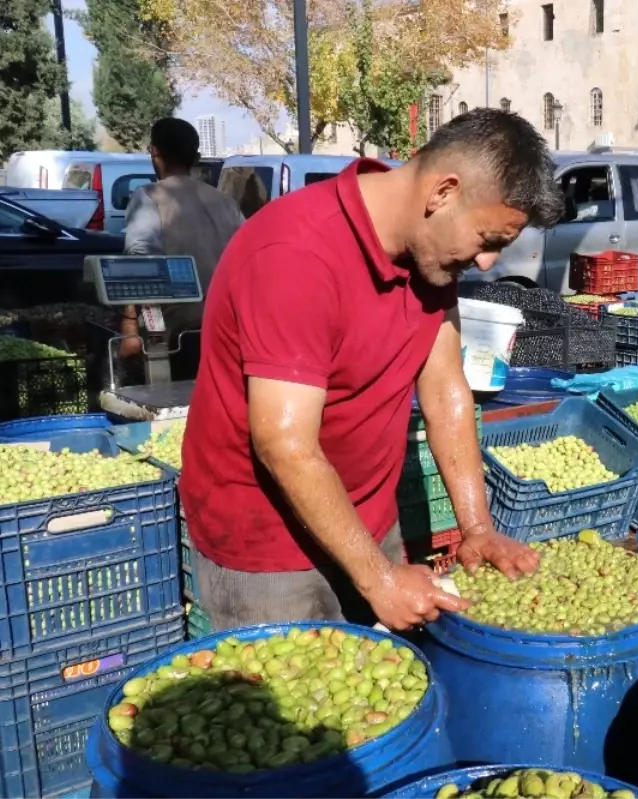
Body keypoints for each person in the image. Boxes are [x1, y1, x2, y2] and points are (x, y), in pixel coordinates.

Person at [179, 109, 564, 632]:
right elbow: (285, 444)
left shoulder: (429, 255)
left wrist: (477, 527)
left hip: (368, 525)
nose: (489, 263)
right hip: (268, 550)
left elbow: (446, 387)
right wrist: (377, 577)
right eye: (489, 239)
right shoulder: (296, 255)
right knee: (300, 705)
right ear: (442, 193)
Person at [119, 118, 244, 370]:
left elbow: (140, 261)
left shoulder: (149, 197)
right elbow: (249, 256)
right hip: (229, 328)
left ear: (154, 151)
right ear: (195, 156)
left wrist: (130, 326)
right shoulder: (224, 202)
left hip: (175, 334)